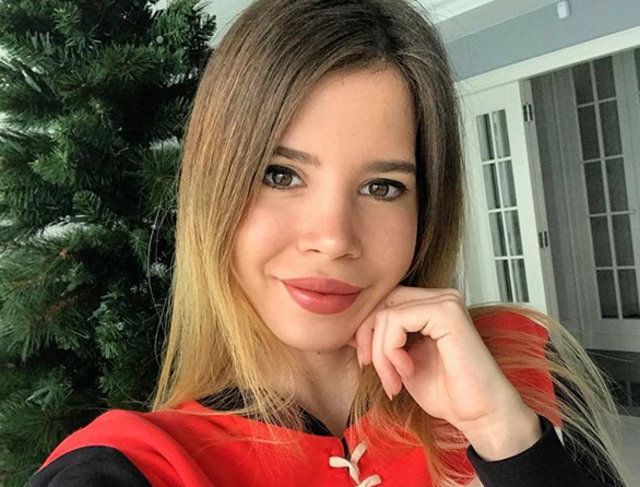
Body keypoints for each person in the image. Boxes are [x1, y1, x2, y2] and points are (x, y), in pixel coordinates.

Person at [29, 0, 633, 486]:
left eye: (382, 186)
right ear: (215, 188)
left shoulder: (519, 364)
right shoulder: (132, 465)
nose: (334, 239)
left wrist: (507, 439)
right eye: (280, 174)